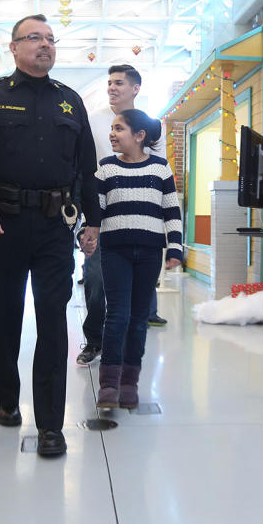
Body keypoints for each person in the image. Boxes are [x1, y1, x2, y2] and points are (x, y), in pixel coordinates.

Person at [0, 14, 100, 458]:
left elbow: (85, 167)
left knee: (54, 319)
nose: (45, 45)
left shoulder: (70, 102)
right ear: (13, 48)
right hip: (2, 225)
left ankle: (51, 424)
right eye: (34, 38)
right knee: (8, 315)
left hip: (54, 226)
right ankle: (8, 398)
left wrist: (92, 220)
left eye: (51, 39)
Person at [77, 65, 169, 367]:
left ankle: (126, 348)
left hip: (140, 216)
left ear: (135, 89)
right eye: (109, 83)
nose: (112, 88)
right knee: (94, 279)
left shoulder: (152, 124)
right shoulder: (94, 121)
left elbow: (159, 167)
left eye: (119, 83)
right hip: (102, 213)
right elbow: (85, 164)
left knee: (135, 290)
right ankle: (93, 340)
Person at [95, 109, 183, 409]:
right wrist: (87, 231)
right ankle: (108, 383)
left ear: (139, 135)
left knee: (138, 317)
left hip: (148, 253)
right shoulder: (106, 168)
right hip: (114, 250)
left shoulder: (160, 168)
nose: (112, 134)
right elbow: (96, 210)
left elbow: (171, 211)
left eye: (119, 128)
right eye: (112, 128)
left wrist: (175, 248)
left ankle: (129, 381)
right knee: (117, 315)